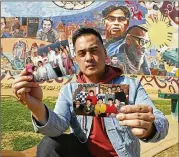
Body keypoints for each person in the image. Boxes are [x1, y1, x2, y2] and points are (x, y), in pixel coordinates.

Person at [13, 27, 169, 157]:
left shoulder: (131, 85)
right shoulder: (69, 90)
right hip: (84, 153)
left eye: (94, 51)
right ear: (75, 59)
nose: (88, 58)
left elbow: (160, 121)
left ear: (105, 54)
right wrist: (36, 107)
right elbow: (57, 127)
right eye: (82, 53)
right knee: (48, 145)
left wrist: (150, 128)